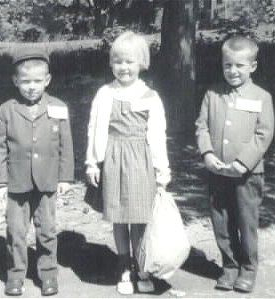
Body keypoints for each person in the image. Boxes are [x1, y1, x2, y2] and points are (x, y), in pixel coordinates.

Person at [85, 31, 170, 295]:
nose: (124, 67)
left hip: (141, 162)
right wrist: (92, 163)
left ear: (142, 63)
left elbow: (157, 134)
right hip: (113, 159)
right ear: (111, 63)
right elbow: (94, 128)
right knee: (120, 219)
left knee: (141, 219)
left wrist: (161, 170)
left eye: (130, 62)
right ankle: (124, 265)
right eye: (118, 61)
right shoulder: (105, 94)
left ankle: (142, 266)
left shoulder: (149, 96)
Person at [0, 47, 74, 296]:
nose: (31, 86)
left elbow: (65, 144)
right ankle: (15, 274)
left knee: (47, 230)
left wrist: (65, 176)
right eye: (25, 81)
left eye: (38, 81)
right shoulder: (6, 110)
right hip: (16, 183)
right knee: (16, 231)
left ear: (47, 80)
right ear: (15, 81)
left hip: (47, 180)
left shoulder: (58, 107)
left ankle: (47, 274)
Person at [195, 35, 274, 293]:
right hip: (217, 171)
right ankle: (229, 266)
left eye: (239, 65)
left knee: (245, 221)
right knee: (221, 220)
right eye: (228, 65)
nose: (233, 71)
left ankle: (248, 269)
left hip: (247, 175)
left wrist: (243, 162)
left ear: (252, 66)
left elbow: (264, 134)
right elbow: (202, 126)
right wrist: (207, 153)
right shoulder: (212, 94)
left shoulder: (262, 97)